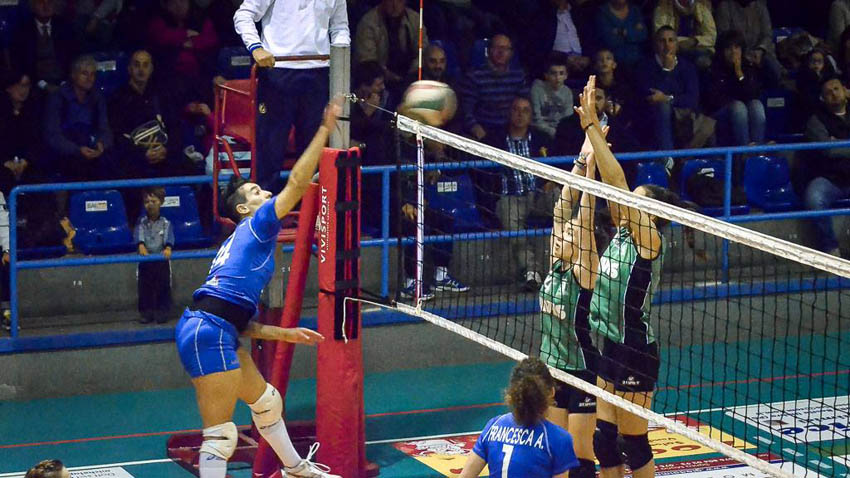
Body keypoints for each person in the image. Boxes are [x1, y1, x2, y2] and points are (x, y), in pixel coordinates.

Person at [173, 99, 343, 478]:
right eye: (255, 192)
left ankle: (294, 469)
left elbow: (234, 317)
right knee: (220, 437)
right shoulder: (258, 225)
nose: (265, 194)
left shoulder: (243, 243)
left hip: (216, 327)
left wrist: (285, 334)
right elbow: (296, 183)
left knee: (266, 403)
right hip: (208, 332)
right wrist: (324, 129)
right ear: (243, 210)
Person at [575, 76, 686, 478]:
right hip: (610, 343)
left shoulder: (650, 240)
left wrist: (592, 124)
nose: (626, 203)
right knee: (604, 440)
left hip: (636, 348)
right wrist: (590, 150)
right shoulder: (623, 231)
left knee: (632, 442)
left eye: (636, 201)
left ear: (651, 214)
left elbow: (618, 182)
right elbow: (610, 186)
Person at [234, 0, 349, 192]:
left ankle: (312, 210)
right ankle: (263, 208)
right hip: (278, 71)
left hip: (319, 72)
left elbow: (340, 27)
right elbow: (244, 15)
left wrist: (341, 58)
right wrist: (256, 47)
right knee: (269, 153)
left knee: (313, 153)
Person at [539, 134, 600, 478]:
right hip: (552, 370)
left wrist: (591, 172)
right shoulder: (556, 265)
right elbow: (561, 209)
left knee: (579, 455)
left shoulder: (583, 271)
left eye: (569, 234)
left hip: (581, 372)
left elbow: (584, 219)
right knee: (555, 453)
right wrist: (580, 158)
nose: (561, 234)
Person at [457, 357, 579, 478]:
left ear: (512, 392)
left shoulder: (493, 426)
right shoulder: (558, 438)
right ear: (552, 392)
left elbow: (465, 476)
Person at [482, 96, 552, 291]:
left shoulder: (542, 138)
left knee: (566, 201)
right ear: (509, 113)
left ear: (531, 116)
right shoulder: (494, 139)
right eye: (516, 110)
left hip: (539, 194)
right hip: (509, 196)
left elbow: (559, 166)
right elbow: (483, 176)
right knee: (512, 224)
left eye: (525, 110)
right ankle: (531, 272)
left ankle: (575, 267)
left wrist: (551, 182)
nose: (520, 115)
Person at [43, 55, 114, 184]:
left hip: (92, 149)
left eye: (92, 74)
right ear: (73, 75)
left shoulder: (98, 97)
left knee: (111, 160)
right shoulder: (58, 97)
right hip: (66, 152)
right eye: (84, 74)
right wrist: (76, 150)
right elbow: (53, 135)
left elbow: (105, 128)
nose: (89, 78)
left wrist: (102, 144)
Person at [801, 77, 850, 256]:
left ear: (845, 91)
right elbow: (828, 150)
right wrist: (835, 146)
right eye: (828, 93)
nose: (834, 94)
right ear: (822, 98)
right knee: (814, 198)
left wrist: (837, 143)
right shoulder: (816, 120)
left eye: (836, 89)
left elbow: (835, 148)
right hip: (830, 178)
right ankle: (831, 249)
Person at [458, 34, 529, 141]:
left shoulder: (518, 76)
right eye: (497, 48)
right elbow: (466, 111)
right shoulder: (474, 76)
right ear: (488, 50)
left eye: (505, 49)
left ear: (511, 53)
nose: (501, 52)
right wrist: (479, 132)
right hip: (484, 132)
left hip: (511, 131)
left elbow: (525, 107)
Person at [354, 0, 428, 98]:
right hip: (380, 78)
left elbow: (423, 52)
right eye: (390, 1)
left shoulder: (415, 19)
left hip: (410, 75)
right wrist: (386, 74)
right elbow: (367, 61)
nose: (394, 5)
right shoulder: (368, 23)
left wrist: (411, 74)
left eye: (399, 1)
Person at [704, 30, 765, 147]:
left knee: (756, 105)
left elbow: (753, 94)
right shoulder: (714, 69)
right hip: (720, 114)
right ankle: (744, 151)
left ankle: (757, 151)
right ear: (722, 51)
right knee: (738, 107)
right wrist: (733, 102)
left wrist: (739, 73)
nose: (733, 52)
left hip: (743, 111)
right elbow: (713, 101)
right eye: (729, 48)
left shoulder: (747, 67)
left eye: (737, 47)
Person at [136, 187, 175, 324]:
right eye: (147, 202)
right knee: (144, 287)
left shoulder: (166, 223)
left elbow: (169, 238)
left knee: (163, 286)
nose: (150, 204)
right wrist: (141, 246)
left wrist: (168, 248)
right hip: (145, 260)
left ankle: (162, 312)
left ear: (161, 202)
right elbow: (139, 237)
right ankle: (146, 313)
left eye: (154, 201)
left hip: (161, 260)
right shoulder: (141, 223)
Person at [652, 0, 716, 70]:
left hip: (699, 49)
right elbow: (661, 36)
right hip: (673, 50)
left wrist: (694, 41)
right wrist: (680, 43)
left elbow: (712, 37)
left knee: (703, 61)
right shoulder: (663, 8)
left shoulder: (702, 8)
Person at [594, 0, 649, 70]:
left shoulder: (635, 10)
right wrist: (633, 32)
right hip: (614, 64)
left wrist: (621, 32)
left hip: (639, 61)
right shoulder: (602, 13)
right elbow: (610, 41)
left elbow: (643, 35)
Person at [531, 53, 574, 140]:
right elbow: (536, 119)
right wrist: (552, 132)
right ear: (546, 75)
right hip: (539, 131)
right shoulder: (537, 89)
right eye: (553, 73)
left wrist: (560, 132)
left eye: (561, 73)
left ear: (566, 76)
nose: (557, 78)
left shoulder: (567, 92)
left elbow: (568, 118)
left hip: (561, 133)